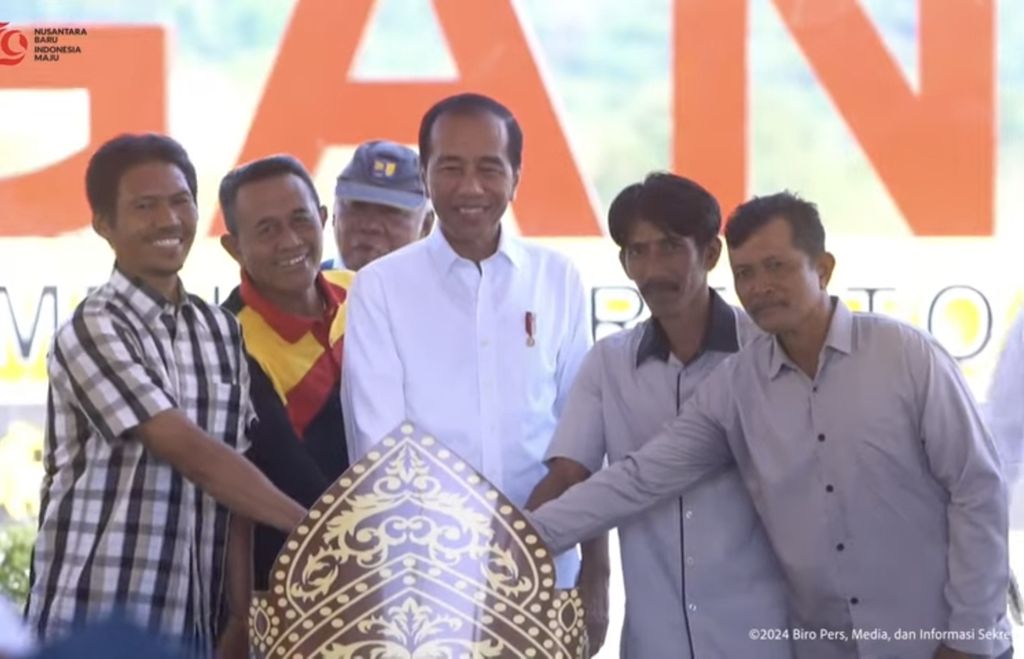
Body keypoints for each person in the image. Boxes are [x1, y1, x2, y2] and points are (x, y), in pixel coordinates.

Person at [530, 191, 1011, 659]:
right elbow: (638, 478)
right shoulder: (736, 385)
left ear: (822, 269)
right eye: (746, 273)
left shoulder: (903, 355)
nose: (760, 286)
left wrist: (970, 637)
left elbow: (978, 489)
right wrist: (520, 537)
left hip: (939, 640)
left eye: (776, 267)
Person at [340, 93, 605, 651]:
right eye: (450, 168)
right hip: (422, 590)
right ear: (426, 172)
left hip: (543, 574)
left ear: (516, 176)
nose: (470, 188)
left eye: (489, 168)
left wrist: (567, 561)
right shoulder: (381, 288)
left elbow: (581, 436)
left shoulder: (557, 279)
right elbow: (379, 451)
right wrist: (470, 553)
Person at [24, 134, 305, 656]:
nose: (168, 220)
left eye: (180, 201)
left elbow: (233, 489)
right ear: (104, 225)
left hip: (189, 630)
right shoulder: (93, 327)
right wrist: (308, 527)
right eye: (144, 206)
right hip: (91, 622)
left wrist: (241, 617)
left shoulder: (221, 330)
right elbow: (187, 450)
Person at [526, 173, 792, 658]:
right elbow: (568, 477)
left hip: (760, 638)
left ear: (711, 254)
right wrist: (505, 550)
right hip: (653, 640)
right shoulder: (608, 363)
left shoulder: (769, 355)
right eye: (636, 251)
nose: (652, 269)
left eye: (670, 247)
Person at [216, 155, 353, 654]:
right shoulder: (227, 340)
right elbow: (272, 477)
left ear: (322, 218)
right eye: (266, 229)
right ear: (234, 247)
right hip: (292, 593)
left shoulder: (365, 298)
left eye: (300, 220)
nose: (291, 241)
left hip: (403, 573)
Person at [322, 140, 433, 271]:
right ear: (334, 214)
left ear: (426, 225)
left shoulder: (448, 290)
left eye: (391, 211)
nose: (370, 225)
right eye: (358, 206)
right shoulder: (301, 290)